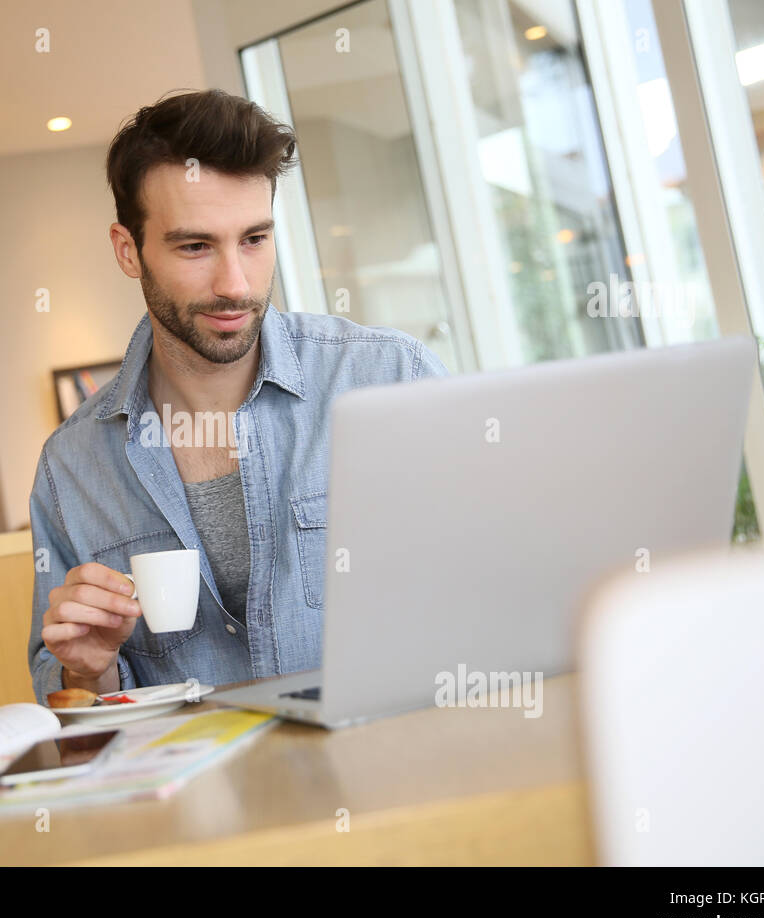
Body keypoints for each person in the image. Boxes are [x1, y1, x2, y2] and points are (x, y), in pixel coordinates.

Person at [28, 89, 449, 706]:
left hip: (389, 777)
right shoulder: (71, 469)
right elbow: (70, 708)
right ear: (128, 250)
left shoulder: (390, 378)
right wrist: (89, 673)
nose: (235, 284)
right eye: (195, 246)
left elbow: (499, 593)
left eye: (254, 239)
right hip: (196, 799)